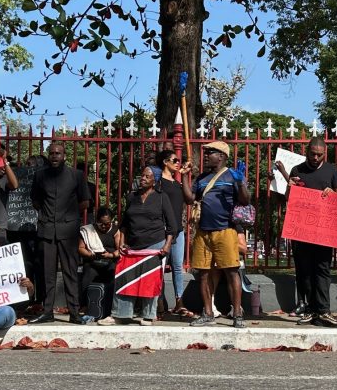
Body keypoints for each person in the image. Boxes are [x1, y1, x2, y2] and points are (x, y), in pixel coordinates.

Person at [274, 136, 337, 328]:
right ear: (307, 151)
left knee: (322, 270)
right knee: (304, 271)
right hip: (301, 230)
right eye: (312, 154)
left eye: (319, 155)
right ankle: (310, 310)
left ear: (324, 154)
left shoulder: (331, 170)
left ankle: (324, 311)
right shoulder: (297, 170)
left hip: (323, 230)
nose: (315, 158)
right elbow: (290, 198)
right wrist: (290, 187)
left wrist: (333, 193)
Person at [182, 141, 250, 329]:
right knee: (203, 274)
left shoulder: (231, 176)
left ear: (221, 156)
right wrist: (185, 177)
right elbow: (189, 199)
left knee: (231, 272)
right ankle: (208, 313)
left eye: (210, 152)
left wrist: (240, 182)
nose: (206, 155)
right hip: (203, 232)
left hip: (226, 231)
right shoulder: (202, 178)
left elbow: (245, 201)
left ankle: (237, 314)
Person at [104, 165, 176, 326]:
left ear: (155, 181)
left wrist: (167, 245)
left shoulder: (162, 197)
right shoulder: (132, 197)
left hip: (155, 245)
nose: (142, 179)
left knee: (150, 280)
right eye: (142, 175)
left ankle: (148, 315)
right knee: (124, 278)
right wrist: (122, 243)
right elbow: (124, 224)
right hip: (133, 246)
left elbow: (172, 225)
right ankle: (120, 314)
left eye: (147, 176)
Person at [29, 142, 90, 324]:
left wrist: (67, 216)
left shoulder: (76, 175)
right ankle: (47, 312)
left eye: (58, 153)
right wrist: (49, 216)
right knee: (47, 273)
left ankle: (74, 312)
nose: (55, 156)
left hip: (68, 231)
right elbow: (35, 201)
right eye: (52, 153)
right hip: (47, 230)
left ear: (64, 156)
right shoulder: (40, 175)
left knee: (70, 272)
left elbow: (85, 202)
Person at [157, 148, 189, 316]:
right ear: (165, 162)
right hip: (163, 230)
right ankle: (160, 301)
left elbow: (189, 199)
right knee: (160, 267)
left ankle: (179, 301)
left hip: (178, 229)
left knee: (177, 266)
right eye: (175, 160)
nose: (178, 163)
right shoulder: (159, 182)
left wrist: (184, 175)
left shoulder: (177, 183)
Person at [79, 207, 122, 324]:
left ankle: (111, 306)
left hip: (110, 260)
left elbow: (120, 250)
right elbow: (81, 248)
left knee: (113, 274)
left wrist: (111, 255)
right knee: (88, 274)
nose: (103, 226)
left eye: (107, 224)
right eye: (100, 224)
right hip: (93, 260)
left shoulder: (115, 230)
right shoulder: (88, 230)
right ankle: (84, 305)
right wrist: (89, 254)